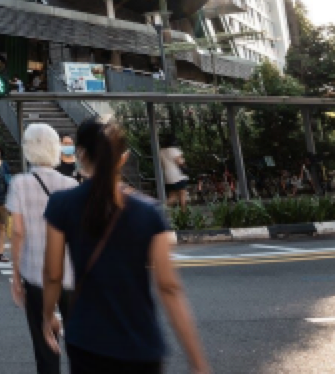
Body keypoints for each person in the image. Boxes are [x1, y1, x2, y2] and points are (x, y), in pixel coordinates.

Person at [41, 119, 210, 374]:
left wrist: (48, 316)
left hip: (87, 340)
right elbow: (169, 287)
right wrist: (198, 362)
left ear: (80, 154)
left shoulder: (61, 204)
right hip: (141, 345)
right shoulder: (149, 212)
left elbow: (53, 274)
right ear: (123, 158)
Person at [7, 123, 78, 374]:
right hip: (69, 273)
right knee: (78, 342)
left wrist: (15, 276)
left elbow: (17, 231)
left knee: (44, 344)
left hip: (35, 274)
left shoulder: (19, 183)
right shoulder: (71, 184)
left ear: (28, 149)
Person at [159, 139, 190, 210]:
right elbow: (180, 162)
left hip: (167, 176)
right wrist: (186, 168)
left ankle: (160, 208)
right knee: (182, 194)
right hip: (178, 175)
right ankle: (183, 213)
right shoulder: (174, 150)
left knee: (172, 197)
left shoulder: (161, 151)